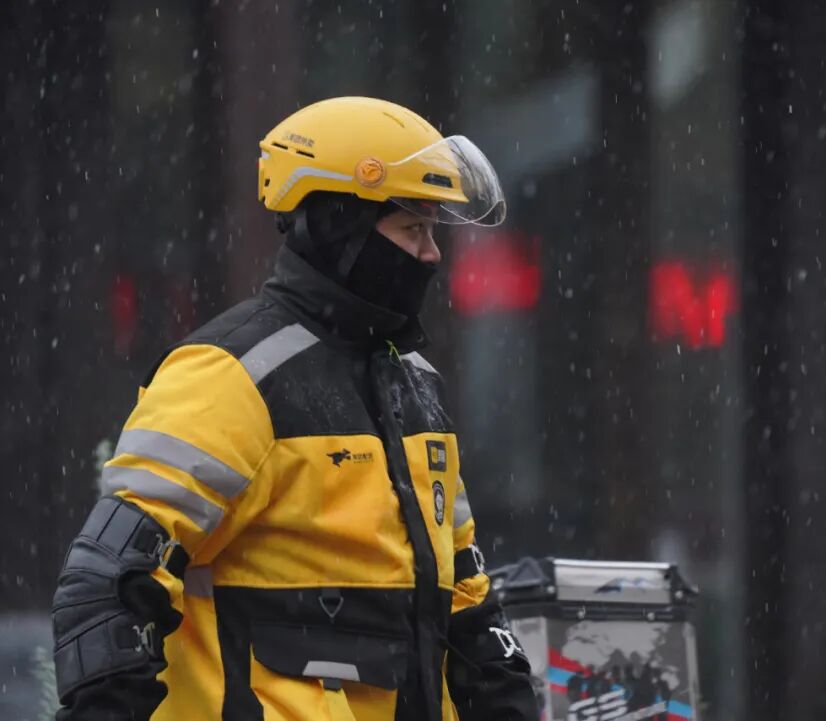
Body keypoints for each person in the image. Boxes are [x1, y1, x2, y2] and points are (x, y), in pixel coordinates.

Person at [50, 96, 538, 721]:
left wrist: (503, 694)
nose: (432, 254)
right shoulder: (231, 374)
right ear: (341, 229)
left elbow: (463, 590)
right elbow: (110, 580)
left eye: (433, 231)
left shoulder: (414, 383)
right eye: (412, 229)